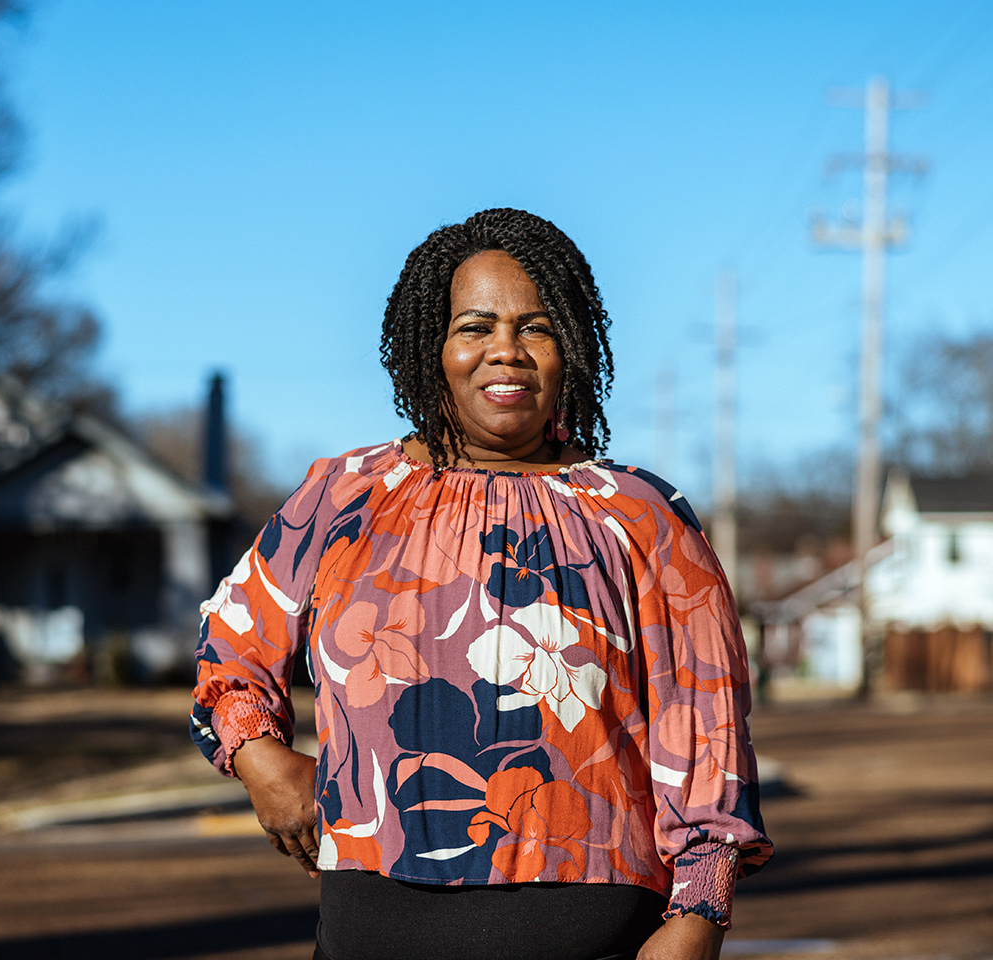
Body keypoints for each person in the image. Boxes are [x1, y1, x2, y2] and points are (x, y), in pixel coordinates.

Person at [190, 208, 772, 960]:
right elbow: (232, 641)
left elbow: (708, 731)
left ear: (572, 347)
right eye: (475, 327)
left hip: (590, 927)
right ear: (431, 346)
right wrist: (261, 760)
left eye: (536, 327)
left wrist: (699, 916)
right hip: (373, 921)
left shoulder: (640, 516)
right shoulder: (343, 497)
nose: (506, 351)